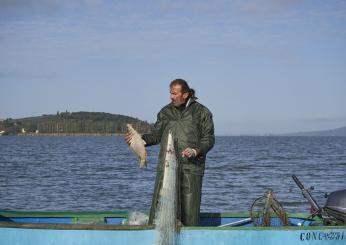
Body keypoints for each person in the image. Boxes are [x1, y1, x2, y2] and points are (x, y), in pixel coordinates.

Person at [125, 78, 215, 226]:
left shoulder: (202, 112)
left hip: (191, 169)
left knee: (189, 213)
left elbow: (209, 139)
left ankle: (189, 238)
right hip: (166, 168)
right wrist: (138, 140)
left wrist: (195, 150)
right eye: (170, 93)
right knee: (160, 210)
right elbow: (156, 136)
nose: (171, 97)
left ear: (185, 94)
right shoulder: (165, 112)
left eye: (174, 93)